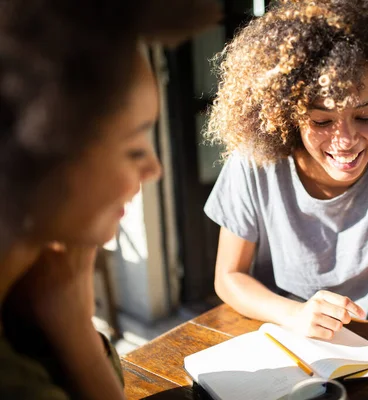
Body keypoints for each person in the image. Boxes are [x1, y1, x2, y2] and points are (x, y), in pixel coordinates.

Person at [204, 0, 368, 398]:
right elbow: (228, 277)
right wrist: (296, 314)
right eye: (322, 121)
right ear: (287, 116)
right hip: (288, 339)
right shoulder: (254, 164)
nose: (345, 142)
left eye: (365, 116)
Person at [0, 0, 220, 398]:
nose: (155, 169)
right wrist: (74, 328)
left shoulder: (33, 279)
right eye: (135, 149)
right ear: (45, 156)